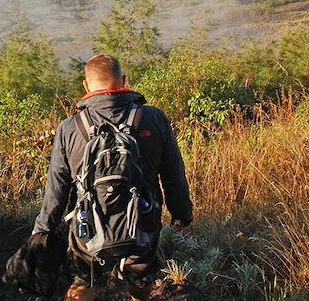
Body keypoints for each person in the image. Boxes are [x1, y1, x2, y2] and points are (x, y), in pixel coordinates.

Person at [32, 55, 193, 301]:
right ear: (124, 81)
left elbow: (57, 188)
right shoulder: (154, 118)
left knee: (82, 282)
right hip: (142, 220)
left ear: (86, 86)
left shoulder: (69, 128)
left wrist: (43, 229)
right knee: (140, 281)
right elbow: (173, 175)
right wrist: (181, 214)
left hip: (87, 225)